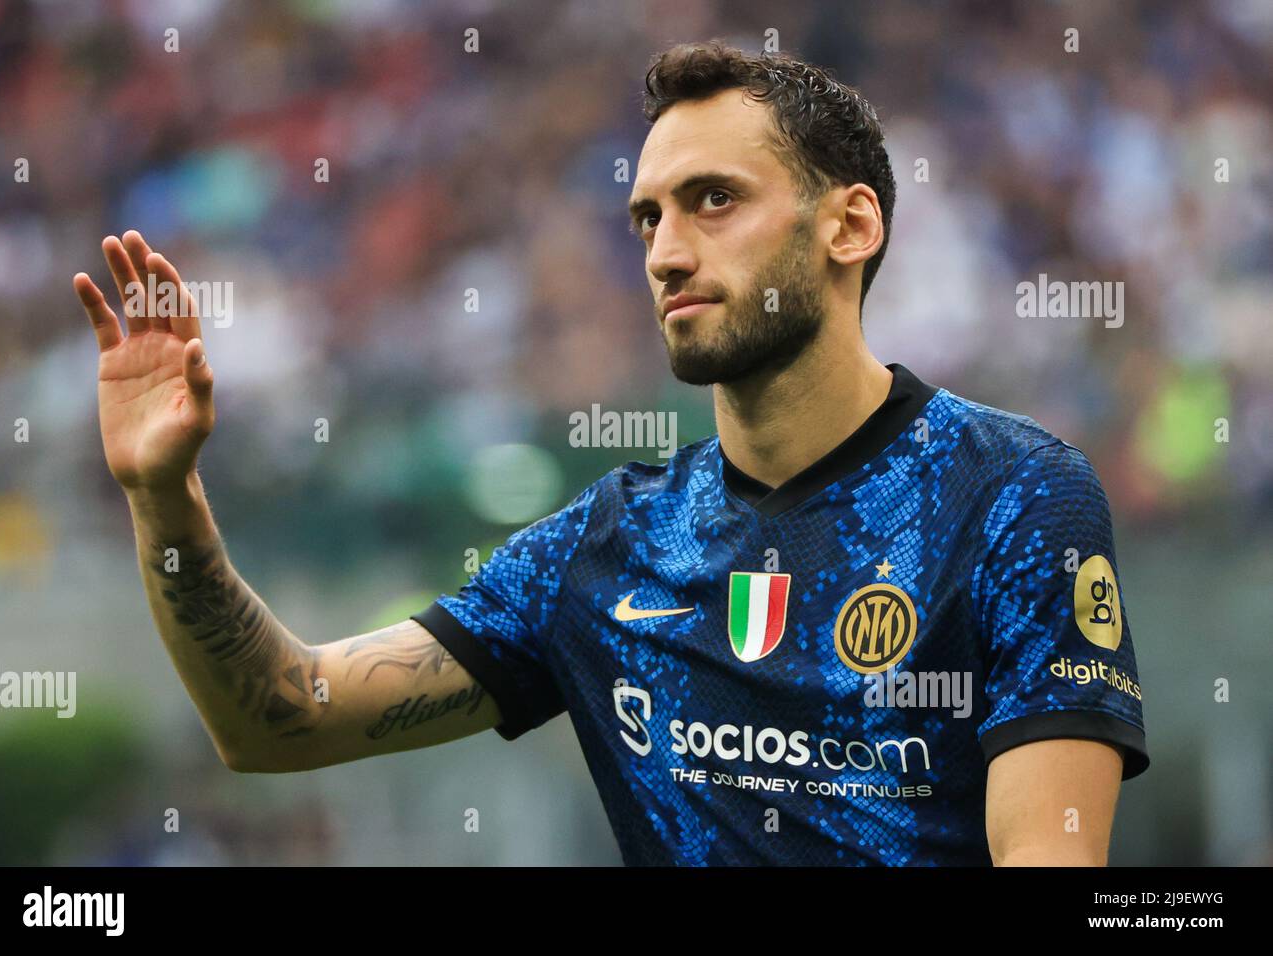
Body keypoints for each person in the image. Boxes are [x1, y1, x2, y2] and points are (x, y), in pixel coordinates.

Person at [73, 41, 1146, 866]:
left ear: (849, 225)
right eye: (645, 219)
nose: (667, 251)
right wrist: (164, 498)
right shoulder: (604, 544)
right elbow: (282, 714)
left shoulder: (1012, 496)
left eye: (713, 200)